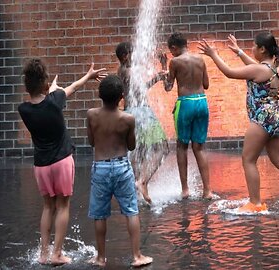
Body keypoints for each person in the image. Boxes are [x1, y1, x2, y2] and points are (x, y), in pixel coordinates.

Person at [198, 32, 279, 213]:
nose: (251, 49)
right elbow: (254, 68)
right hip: (276, 117)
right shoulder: (273, 66)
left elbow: (229, 72)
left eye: (254, 46)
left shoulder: (259, 69)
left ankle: (255, 203)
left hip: (262, 118)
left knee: (248, 159)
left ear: (262, 49)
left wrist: (214, 55)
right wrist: (239, 52)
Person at [18, 59, 106, 265]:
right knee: (63, 205)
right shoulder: (55, 99)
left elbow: (43, 100)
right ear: (46, 85)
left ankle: (43, 254)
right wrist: (89, 75)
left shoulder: (24, 109)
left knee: (48, 207)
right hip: (62, 162)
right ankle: (57, 254)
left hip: (41, 165)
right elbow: (74, 87)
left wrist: (51, 89)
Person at [86, 74, 153, 267]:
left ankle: (100, 258)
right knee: (131, 211)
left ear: (100, 95)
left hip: (100, 166)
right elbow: (131, 146)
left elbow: (91, 141)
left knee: (99, 214)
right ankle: (137, 256)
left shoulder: (91, 114)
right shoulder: (127, 118)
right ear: (122, 96)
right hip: (122, 166)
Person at [115, 41, 169, 204]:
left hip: (131, 112)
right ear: (125, 56)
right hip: (141, 113)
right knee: (163, 148)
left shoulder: (122, 70)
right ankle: (143, 181)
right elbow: (141, 89)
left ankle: (137, 188)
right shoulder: (129, 71)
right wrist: (158, 77)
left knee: (139, 152)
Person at [163, 32, 213, 200]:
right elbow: (206, 84)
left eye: (171, 51)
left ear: (174, 48)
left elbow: (168, 87)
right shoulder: (200, 59)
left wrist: (164, 68)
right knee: (199, 147)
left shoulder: (175, 62)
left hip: (185, 103)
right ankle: (208, 191)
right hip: (202, 102)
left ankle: (185, 190)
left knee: (181, 146)